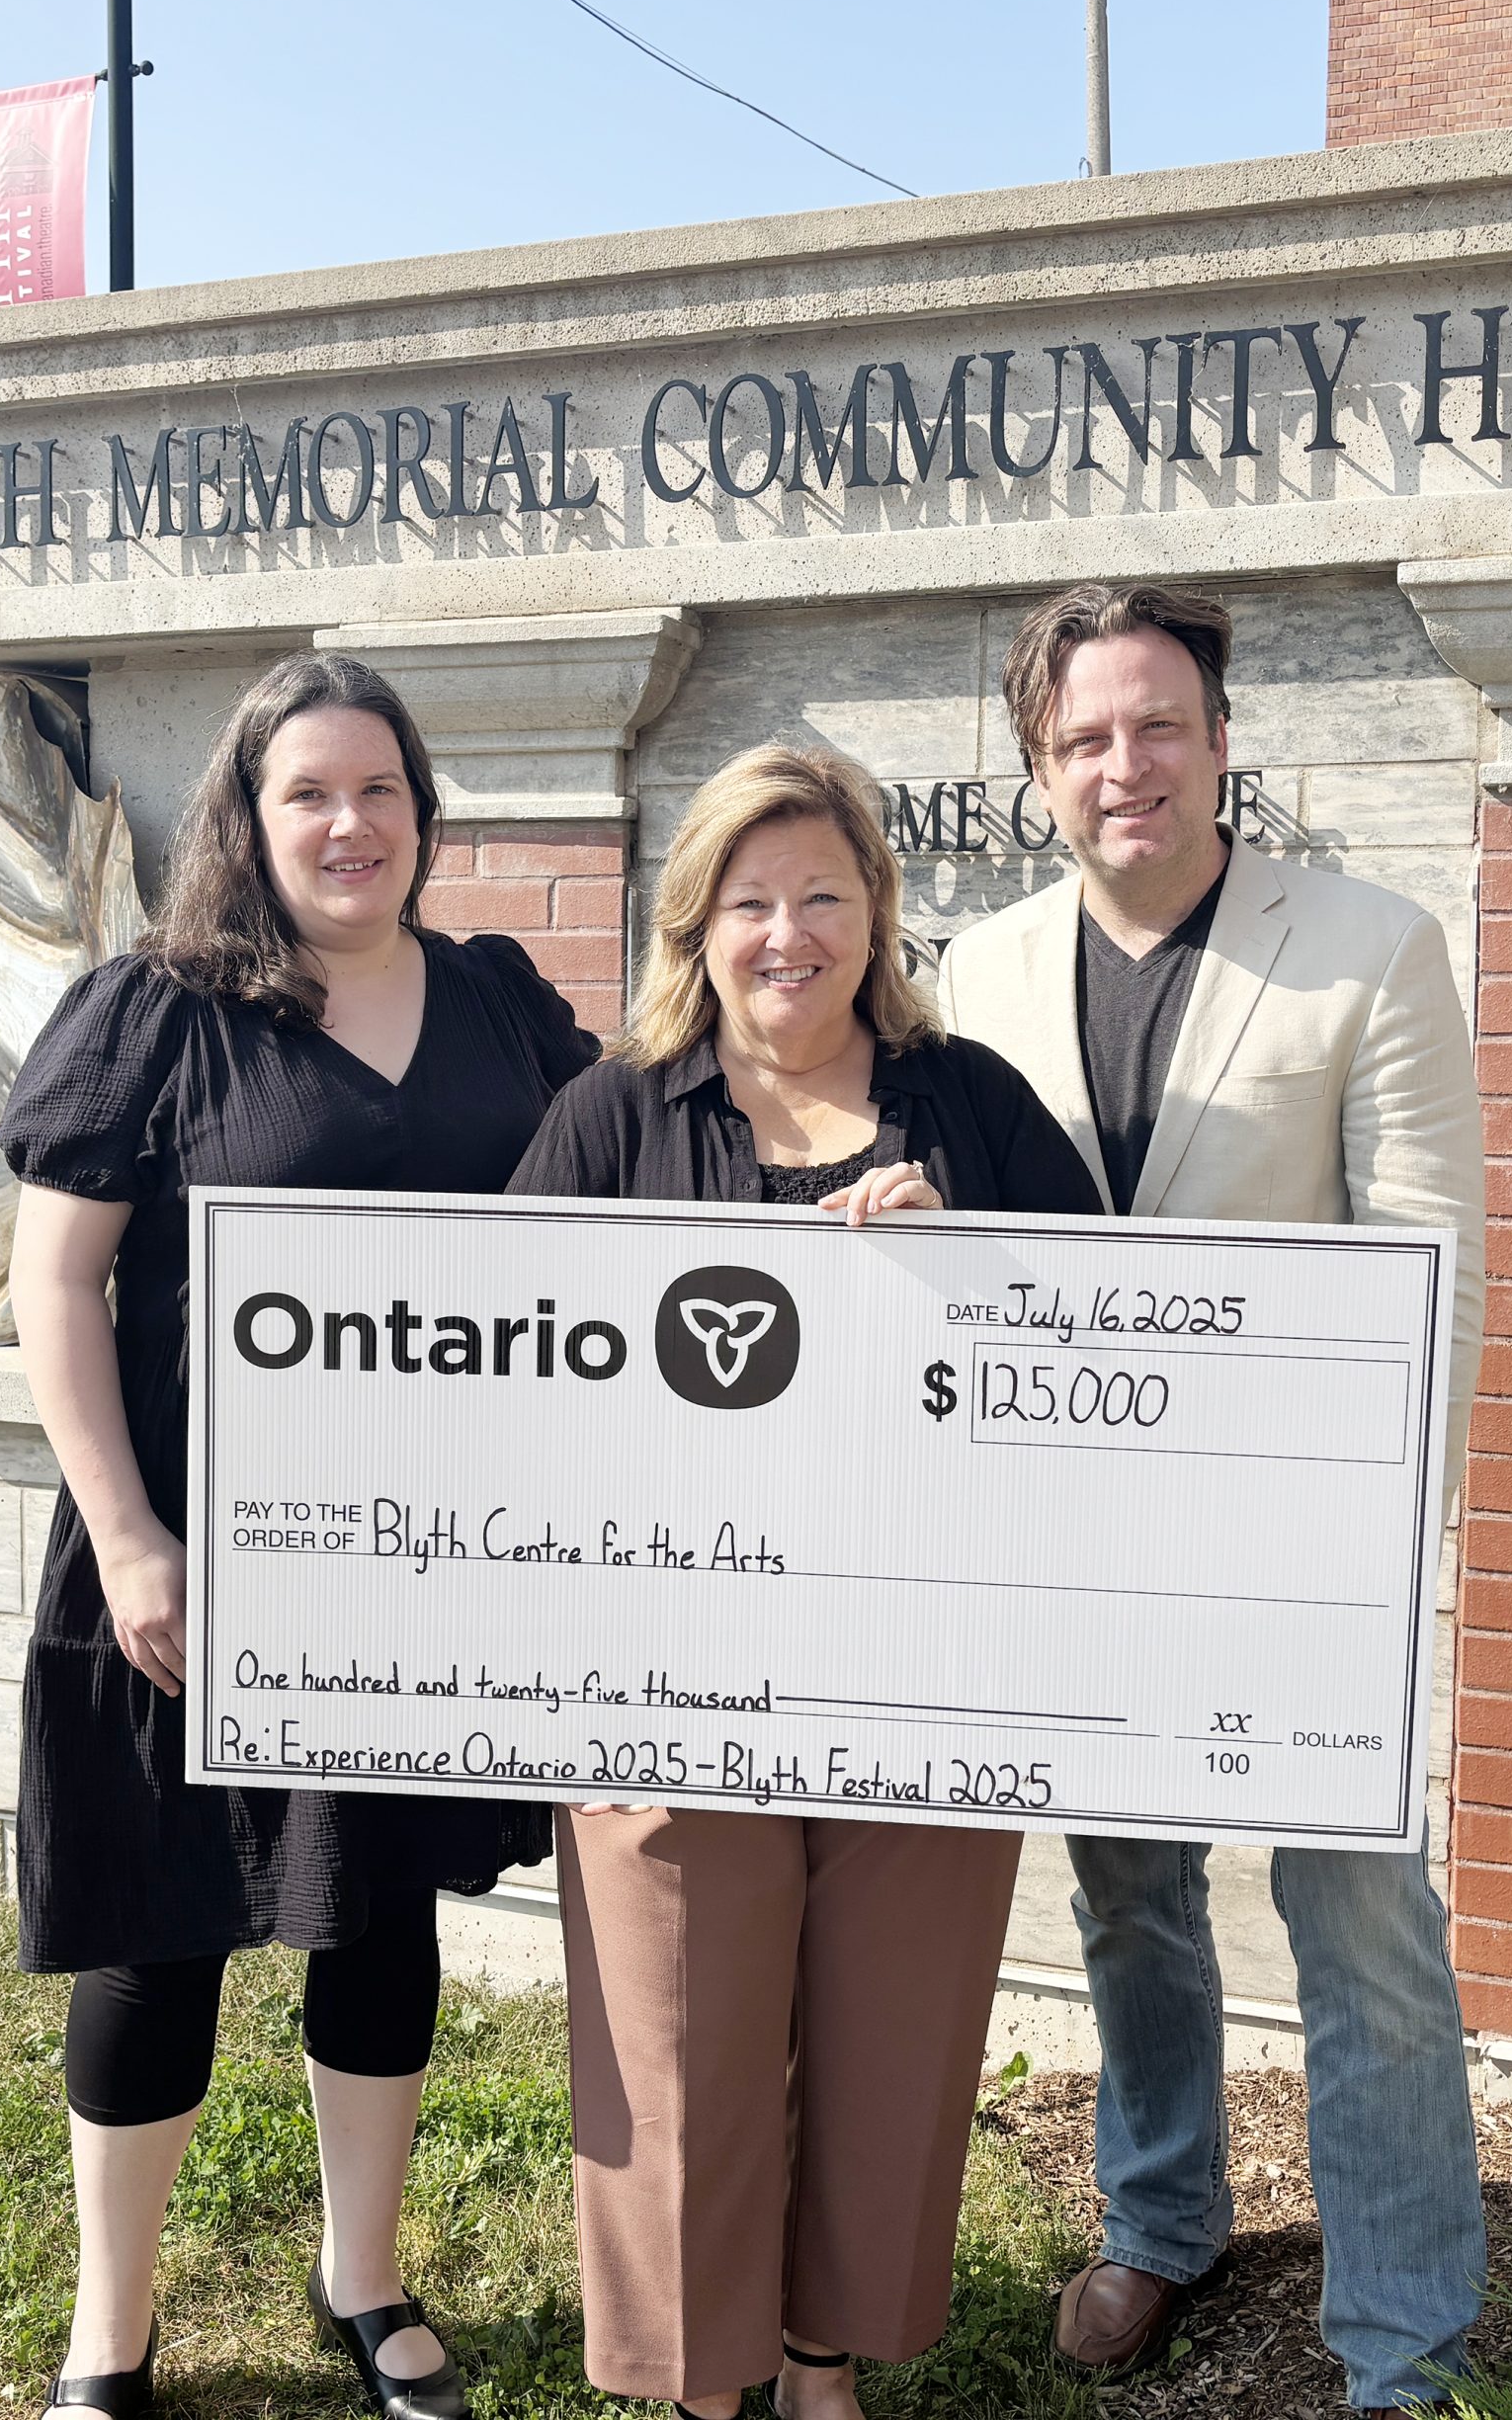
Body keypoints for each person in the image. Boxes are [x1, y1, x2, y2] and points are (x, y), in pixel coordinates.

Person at [0, 652, 599, 2420]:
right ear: (249, 821)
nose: (350, 825)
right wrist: (127, 1536)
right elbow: (57, 1279)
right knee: (158, 1931)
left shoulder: (498, 1005)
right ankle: (110, 2332)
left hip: (419, 1563)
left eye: (381, 790)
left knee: (375, 1921)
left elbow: (630, 1185)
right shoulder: (162, 1010)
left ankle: (365, 2274)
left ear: (425, 812)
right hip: (189, 1556)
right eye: (309, 793)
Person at [938, 582, 1488, 2418]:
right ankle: (1160, 2214)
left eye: (1156, 723)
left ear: (1220, 735)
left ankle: (1400, 2329)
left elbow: (1433, 1267)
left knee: (1361, 1923)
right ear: (1039, 769)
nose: (1125, 765)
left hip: (1293, 1550)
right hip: (1081, 1551)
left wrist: (1376, 1530)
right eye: (1083, 738)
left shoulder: (1365, 945)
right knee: (1129, 1901)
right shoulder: (981, 969)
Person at [509, 743, 1101, 2420]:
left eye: (822, 895)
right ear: (696, 924)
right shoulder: (610, 1116)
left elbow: (1098, 1346)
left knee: (888, 2031)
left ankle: (820, 2353)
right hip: (664, 1677)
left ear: (875, 914)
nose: (788, 932)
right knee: (677, 2040)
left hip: (923, 1664)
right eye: (749, 900)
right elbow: (499, 1392)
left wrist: (963, 1263)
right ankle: (706, 2379)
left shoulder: (969, 1102)